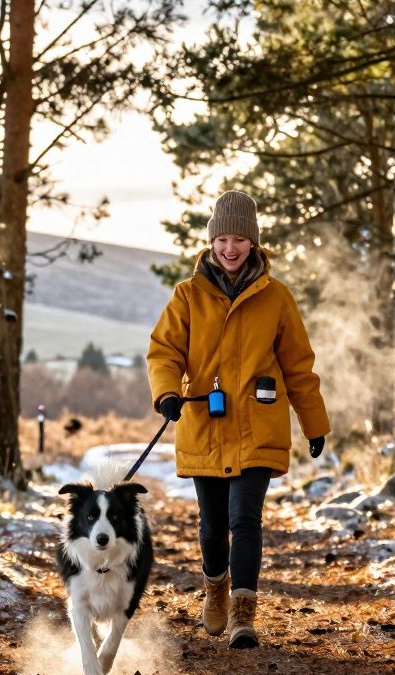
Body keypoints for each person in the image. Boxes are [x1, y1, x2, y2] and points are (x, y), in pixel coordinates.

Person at [147, 190, 330, 649]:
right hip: (204, 425)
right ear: (211, 243)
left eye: (239, 240)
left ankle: (243, 614)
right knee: (212, 526)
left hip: (257, 425)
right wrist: (167, 392)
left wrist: (314, 423)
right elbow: (164, 351)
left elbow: (298, 367)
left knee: (244, 519)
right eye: (222, 239)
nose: (230, 249)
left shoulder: (277, 298)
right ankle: (215, 589)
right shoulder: (187, 296)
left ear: (254, 243)